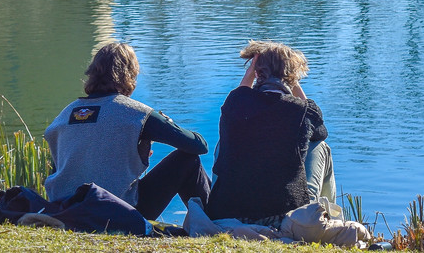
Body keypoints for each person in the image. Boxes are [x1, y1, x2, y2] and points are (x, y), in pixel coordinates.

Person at [44, 42, 211, 220]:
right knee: (187, 161)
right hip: (118, 213)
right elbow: (198, 145)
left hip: (66, 211)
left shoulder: (65, 115)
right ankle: (217, 223)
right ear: (130, 75)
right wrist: (167, 122)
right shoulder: (134, 113)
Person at [206, 41, 335, 224]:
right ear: (291, 77)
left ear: (257, 73)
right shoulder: (303, 110)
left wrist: (251, 73)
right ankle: (327, 221)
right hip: (285, 214)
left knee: (225, 140)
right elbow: (320, 131)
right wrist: (294, 83)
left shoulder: (235, 102)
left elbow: (241, 93)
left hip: (228, 211)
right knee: (320, 146)